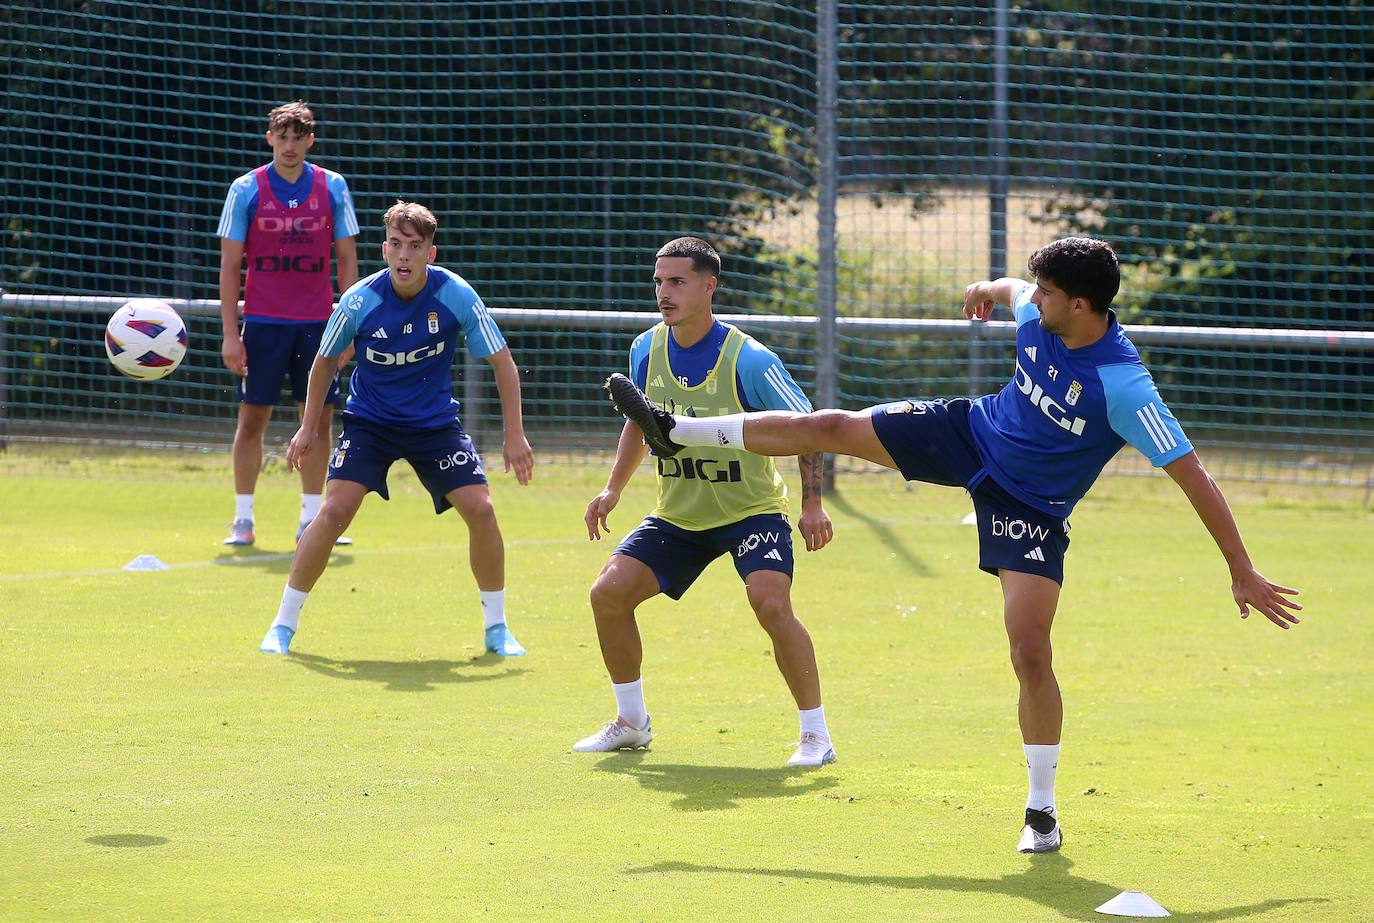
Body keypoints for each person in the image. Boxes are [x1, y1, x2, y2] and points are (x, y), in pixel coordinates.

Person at [606, 236, 1302, 847]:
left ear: (1082, 307)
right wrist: (984, 289)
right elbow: (1009, 289)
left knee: (1030, 650)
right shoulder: (1039, 309)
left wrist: (1240, 568)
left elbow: (1193, 474)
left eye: (1048, 292)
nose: (1034, 298)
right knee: (831, 424)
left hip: (1029, 504)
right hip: (968, 432)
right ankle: (679, 428)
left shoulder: (1124, 386)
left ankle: (1041, 810)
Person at [575, 237, 838, 767]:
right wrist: (613, 488)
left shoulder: (750, 360)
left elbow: (808, 430)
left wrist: (813, 504)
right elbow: (640, 419)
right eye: (658, 282)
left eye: (677, 282)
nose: (664, 293)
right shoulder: (646, 348)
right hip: (679, 514)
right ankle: (631, 722)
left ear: (708, 285)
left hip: (751, 512)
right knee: (608, 595)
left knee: (770, 603)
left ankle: (816, 736)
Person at [259, 201, 535, 657]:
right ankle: (283, 625)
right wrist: (308, 427)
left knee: (482, 510)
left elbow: (503, 364)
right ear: (384, 249)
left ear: (431, 252)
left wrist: (515, 434)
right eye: (397, 245)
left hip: (434, 425)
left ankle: (497, 628)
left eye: (415, 246)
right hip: (371, 423)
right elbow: (324, 363)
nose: (404, 256)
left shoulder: (457, 295)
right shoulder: (359, 301)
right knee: (333, 512)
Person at [217, 100, 360, 547]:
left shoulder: (333, 187)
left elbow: (347, 258)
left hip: (319, 325)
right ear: (270, 140)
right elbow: (229, 265)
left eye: (299, 137)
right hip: (261, 323)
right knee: (253, 418)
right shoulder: (246, 189)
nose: (291, 145)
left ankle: (311, 519)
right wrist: (229, 334)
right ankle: (243, 519)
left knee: (316, 421)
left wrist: (349, 326)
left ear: (310, 140)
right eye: (283, 137)